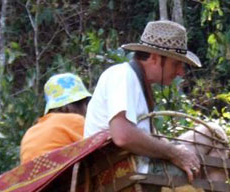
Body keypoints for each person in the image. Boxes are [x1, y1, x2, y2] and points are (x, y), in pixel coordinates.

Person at [83, 20, 201, 182]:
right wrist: (174, 152)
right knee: (211, 150)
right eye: (176, 64)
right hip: (126, 171)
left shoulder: (138, 82)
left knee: (212, 137)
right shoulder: (123, 74)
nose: (180, 72)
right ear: (154, 58)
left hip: (139, 165)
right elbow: (123, 135)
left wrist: (177, 150)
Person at [19, 73, 92, 164]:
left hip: (39, 177)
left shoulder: (31, 131)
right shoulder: (75, 120)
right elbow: (93, 146)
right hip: (63, 175)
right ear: (82, 104)